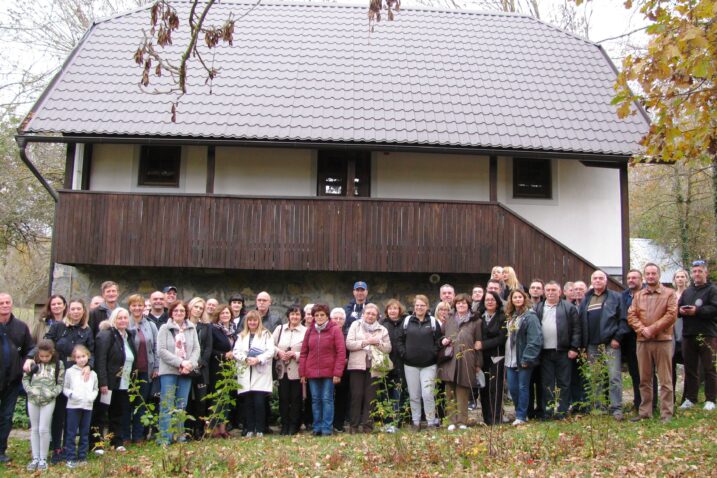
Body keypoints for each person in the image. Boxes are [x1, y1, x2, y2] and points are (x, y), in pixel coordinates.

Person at [40, 299, 94, 464]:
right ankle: (57, 448)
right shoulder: (58, 327)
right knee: (59, 414)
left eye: (79, 309)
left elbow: (92, 351)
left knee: (73, 414)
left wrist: (89, 366)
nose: (76, 312)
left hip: (79, 377)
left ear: (83, 311)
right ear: (68, 311)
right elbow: (46, 344)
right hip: (60, 373)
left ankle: (71, 448)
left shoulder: (87, 330)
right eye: (73, 309)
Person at [628, 263, 678, 422]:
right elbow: (631, 315)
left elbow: (671, 315)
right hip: (642, 341)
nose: (650, 276)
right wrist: (642, 329)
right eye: (648, 274)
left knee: (665, 379)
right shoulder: (638, 295)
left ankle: (666, 414)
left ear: (659, 275)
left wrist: (653, 329)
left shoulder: (669, 293)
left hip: (662, 340)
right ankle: (645, 412)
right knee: (644, 379)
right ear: (644, 276)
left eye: (653, 274)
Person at [578, 270, 628, 420]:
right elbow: (581, 323)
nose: (598, 281)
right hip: (592, 344)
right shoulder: (586, 299)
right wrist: (583, 346)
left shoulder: (615, 297)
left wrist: (617, 338)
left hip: (610, 344)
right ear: (591, 281)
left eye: (601, 278)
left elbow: (624, 320)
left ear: (606, 281)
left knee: (614, 377)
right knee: (596, 377)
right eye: (595, 278)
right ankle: (599, 407)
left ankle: (616, 408)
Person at [299, 304, 346, 437]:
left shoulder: (335, 330)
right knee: (315, 399)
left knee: (327, 399)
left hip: (329, 373)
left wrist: (337, 373)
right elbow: (303, 353)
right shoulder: (310, 331)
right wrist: (302, 373)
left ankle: (326, 428)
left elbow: (341, 352)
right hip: (312, 372)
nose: (319, 317)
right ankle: (317, 427)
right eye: (316, 315)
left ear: (327, 316)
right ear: (313, 317)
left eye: (322, 315)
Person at [534, 281, 580, 419]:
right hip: (545, 352)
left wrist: (574, 347)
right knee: (546, 383)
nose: (550, 292)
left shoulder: (568, 307)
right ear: (544, 292)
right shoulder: (538, 308)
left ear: (559, 292)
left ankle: (562, 411)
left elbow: (577, 329)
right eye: (548, 290)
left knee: (564, 383)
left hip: (564, 351)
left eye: (553, 290)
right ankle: (547, 411)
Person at [157, 301, 200, 445]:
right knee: (167, 403)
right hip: (169, 370)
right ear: (171, 313)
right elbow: (161, 351)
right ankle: (165, 436)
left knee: (181, 404)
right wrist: (180, 362)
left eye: (182, 311)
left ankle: (179, 435)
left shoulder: (191, 328)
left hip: (186, 372)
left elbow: (196, 350)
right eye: (176, 311)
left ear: (186, 313)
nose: (179, 313)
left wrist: (190, 364)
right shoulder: (164, 328)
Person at [438, 294, 482, 430]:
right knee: (449, 391)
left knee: (463, 391)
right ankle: (451, 420)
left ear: (468, 305)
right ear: (455, 305)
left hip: (467, 359)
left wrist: (478, 363)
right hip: (450, 359)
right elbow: (440, 337)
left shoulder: (476, 321)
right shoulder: (448, 319)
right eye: (458, 303)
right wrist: (442, 340)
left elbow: (478, 343)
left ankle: (462, 421)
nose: (461, 305)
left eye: (464, 303)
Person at [95, 307, 136, 452]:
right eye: (120, 318)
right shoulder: (106, 335)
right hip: (109, 383)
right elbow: (101, 360)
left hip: (123, 383)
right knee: (102, 413)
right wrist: (103, 382)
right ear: (113, 319)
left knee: (118, 413)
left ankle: (116, 442)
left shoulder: (129, 336)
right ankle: (96, 444)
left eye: (125, 318)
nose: (123, 320)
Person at [398, 295, 442, 430]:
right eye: (417, 305)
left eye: (422, 305)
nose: (419, 308)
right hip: (410, 365)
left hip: (429, 365)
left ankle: (430, 421)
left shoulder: (433, 322)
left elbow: (439, 342)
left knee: (428, 394)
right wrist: (404, 353)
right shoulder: (407, 321)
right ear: (414, 307)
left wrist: (433, 353)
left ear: (427, 307)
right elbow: (400, 340)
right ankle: (416, 422)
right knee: (414, 395)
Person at [345, 303, 391, 433]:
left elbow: (388, 348)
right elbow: (349, 344)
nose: (370, 316)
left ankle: (367, 426)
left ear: (377, 316)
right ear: (363, 314)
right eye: (368, 313)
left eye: (373, 314)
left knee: (371, 397)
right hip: (357, 366)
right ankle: (354, 426)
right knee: (356, 395)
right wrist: (365, 342)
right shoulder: (355, 325)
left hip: (374, 367)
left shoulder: (382, 329)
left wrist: (377, 342)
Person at [678, 260, 717, 411]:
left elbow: (715, 309)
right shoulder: (687, 291)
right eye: (694, 272)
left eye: (700, 271)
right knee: (690, 368)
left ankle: (710, 399)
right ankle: (691, 398)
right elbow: (677, 308)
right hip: (688, 334)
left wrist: (697, 311)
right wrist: (680, 311)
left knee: (709, 368)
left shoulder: (712, 290)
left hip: (707, 334)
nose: (697, 274)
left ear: (705, 273)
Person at [0, 293, 34, 464]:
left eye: (7, 302)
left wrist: (28, 358)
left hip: (12, 380)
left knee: (6, 417)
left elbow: (31, 348)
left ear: (12, 305)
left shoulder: (21, 327)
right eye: (1, 303)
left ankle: (1, 451)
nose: (4, 305)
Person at [23, 339, 65, 472]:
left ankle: (43, 458)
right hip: (33, 399)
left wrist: (52, 394)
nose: (44, 358)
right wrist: (30, 391)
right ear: (38, 354)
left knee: (44, 429)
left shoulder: (59, 364)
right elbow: (25, 378)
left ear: (52, 353)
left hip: (48, 400)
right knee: (34, 429)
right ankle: (35, 457)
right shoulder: (33, 363)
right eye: (42, 356)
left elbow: (60, 384)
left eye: (47, 356)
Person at [233, 310, 275, 437]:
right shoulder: (241, 335)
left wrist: (258, 359)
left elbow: (271, 351)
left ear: (259, 321)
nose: (252, 322)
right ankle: (250, 428)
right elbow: (236, 351)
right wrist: (245, 359)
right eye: (250, 320)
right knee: (248, 402)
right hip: (246, 370)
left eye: (255, 320)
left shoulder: (266, 334)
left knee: (259, 402)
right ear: (247, 321)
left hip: (260, 372)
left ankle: (260, 429)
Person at [504, 289, 542, 426]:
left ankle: (521, 415)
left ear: (524, 298)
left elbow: (535, 339)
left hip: (523, 358)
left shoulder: (530, 316)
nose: (518, 299)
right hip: (510, 359)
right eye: (515, 297)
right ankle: (518, 412)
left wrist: (527, 358)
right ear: (511, 300)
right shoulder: (512, 316)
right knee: (513, 388)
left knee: (523, 387)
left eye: (520, 297)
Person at [126, 294, 159, 443]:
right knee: (126, 404)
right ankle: (125, 436)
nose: (137, 308)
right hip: (128, 371)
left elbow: (156, 347)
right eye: (134, 305)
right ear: (130, 307)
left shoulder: (150, 325)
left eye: (140, 305)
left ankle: (139, 436)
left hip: (147, 369)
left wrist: (156, 367)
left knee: (142, 404)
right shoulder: (125, 322)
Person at [63, 345, 98, 469]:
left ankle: (82, 456)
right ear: (74, 359)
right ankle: (70, 457)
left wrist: (91, 397)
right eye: (78, 357)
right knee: (71, 432)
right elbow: (65, 388)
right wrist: (71, 395)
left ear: (88, 356)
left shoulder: (93, 373)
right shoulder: (70, 372)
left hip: (87, 406)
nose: (81, 359)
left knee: (84, 432)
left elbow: (95, 389)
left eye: (83, 356)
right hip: (73, 406)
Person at [273, 306, 306, 435]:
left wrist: (295, 354)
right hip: (282, 370)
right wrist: (279, 353)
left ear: (301, 316)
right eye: (292, 314)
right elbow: (271, 345)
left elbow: (307, 350)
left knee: (296, 399)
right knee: (283, 399)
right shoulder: (279, 329)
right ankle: (284, 425)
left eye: (297, 314)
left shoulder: (306, 331)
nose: (294, 317)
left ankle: (294, 426)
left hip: (297, 371)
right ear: (288, 316)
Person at [476, 291, 507, 425]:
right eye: (487, 300)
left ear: (497, 302)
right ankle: (486, 418)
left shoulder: (502, 317)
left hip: (497, 356)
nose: (489, 302)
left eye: (492, 300)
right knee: (484, 387)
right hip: (483, 358)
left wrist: (483, 344)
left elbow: (501, 338)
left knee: (496, 388)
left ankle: (496, 417)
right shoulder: (479, 318)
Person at [186, 297, 213, 439]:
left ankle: (199, 429)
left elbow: (208, 347)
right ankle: (187, 429)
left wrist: (201, 363)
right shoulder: (183, 325)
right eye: (196, 306)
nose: (198, 310)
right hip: (185, 368)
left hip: (201, 368)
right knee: (187, 400)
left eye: (201, 308)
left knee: (201, 401)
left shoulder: (206, 327)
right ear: (190, 307)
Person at [208, 304, 236, 438]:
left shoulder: (232, 330)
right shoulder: (213, 329)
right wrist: (223, 355)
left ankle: (223, 428)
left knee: (226, 398)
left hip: (229, 368)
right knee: (217, 398)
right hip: (217, 368)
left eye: (227, 313)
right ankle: (212, 427)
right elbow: (209, 349)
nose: (225, 315)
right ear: (218, 315)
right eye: (223, 313)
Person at [380, 299, 407, 433]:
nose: (392, 311)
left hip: (401, 364)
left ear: (399, 310)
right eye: (390, 308)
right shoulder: (382, 324)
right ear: (386, 311)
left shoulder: (405, 323)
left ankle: (397, 423)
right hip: (386, 365)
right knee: (386, 394)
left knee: (398, 395)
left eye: (395, 308)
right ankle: (387, 422)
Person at [621, 269, 644, 411]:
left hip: (645, 336)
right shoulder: (623, 296)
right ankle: (638, 402)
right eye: (629, 278)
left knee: (647, 373)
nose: (631, 280)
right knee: (634, 372)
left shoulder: (647, 293)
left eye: (634, 278)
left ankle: (650, 403)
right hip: (629, 339)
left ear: (641, 279)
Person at [330, 307, 349, 433]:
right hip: (329, 369)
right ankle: (328, 423)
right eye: (335, 318)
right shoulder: (327, 333)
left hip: (345, 370)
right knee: (328, 397)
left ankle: (338, 423)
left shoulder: (348, 334)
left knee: (342, 397)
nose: (338, 320)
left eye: (341, 318)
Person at [671, 268, 690, 398]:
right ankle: (670, 397)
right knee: (671, 367)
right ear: (674, 280)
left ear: (686, 279)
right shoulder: (671, 295)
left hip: (686, 333)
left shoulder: (690, 294)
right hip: (672, 333)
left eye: (682, 276)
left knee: (688, 367)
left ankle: (686, 397)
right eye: (678, 277)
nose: (680, 279)